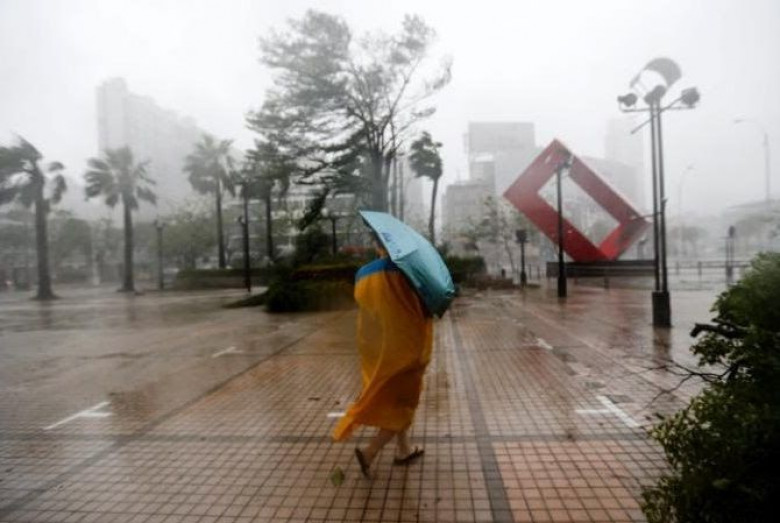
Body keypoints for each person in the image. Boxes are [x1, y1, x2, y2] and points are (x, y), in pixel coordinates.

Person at [332, 234, 434, 478]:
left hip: (377, 346)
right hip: (406, 346)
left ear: (376, 245)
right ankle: (369, 452)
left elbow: (365, 307)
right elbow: (426, 304)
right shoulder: (409, 271)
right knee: (404, 404)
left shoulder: (363, 274)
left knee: (392, 398)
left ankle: (404, 450)